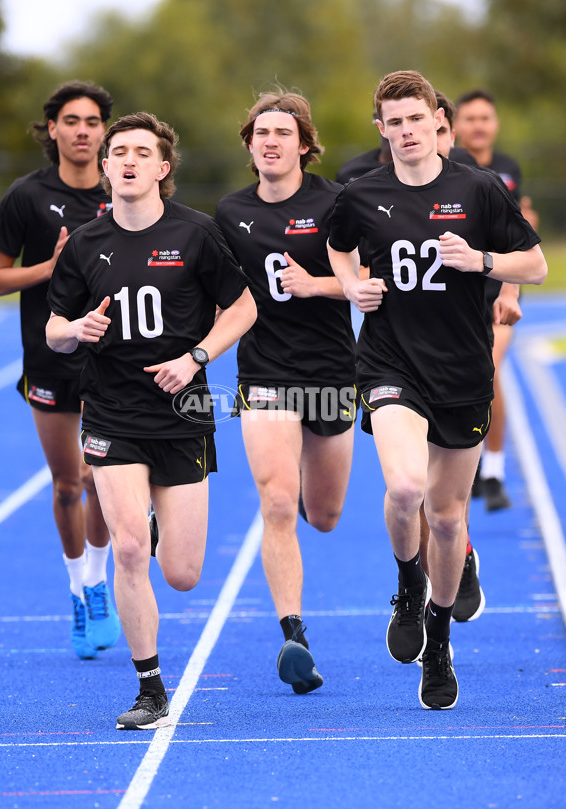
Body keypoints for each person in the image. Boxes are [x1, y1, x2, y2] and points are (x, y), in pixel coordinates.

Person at [327, 70, 547, 710]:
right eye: (392, 122)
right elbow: (340, 251)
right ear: (381, 129)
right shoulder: (361, 194)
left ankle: (441, 638)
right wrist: (351, 286)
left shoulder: (477, 188)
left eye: (414, 120)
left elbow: (533, 264)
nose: (405, 132)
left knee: (449, 520)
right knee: (404, 487)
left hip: (463, 370)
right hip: (392, 362)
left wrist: (479, 261)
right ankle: (406, 581)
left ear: (435, 122)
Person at [46, 112, 256, 729]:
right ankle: (150, 689)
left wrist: (197, 358)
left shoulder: (196, 233)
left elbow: (242, 308)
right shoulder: (86, 243)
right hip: (111, 411)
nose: (129, 160)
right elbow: (54, 329)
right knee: (129, 548)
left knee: (183, 574)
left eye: (143, 152)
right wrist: (76, 330)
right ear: (106, 168)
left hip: (183, 412)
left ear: (163, 169)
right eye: (120, 152)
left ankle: (162, 528)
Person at [214, 90, 357, 695]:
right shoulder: (228, 213)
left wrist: (316, 284)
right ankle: (294, 635)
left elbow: (370, 282)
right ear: (249, 146)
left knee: (322, 517)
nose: (270, 141)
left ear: (304, 143)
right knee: (276, 503)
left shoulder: (337, 202)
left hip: (330, 372)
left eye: (282, 132)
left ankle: (301, 491)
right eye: (260, 133)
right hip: (265, 374)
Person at [0, 81, 121, 660]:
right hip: (47, 358)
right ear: (54, 130)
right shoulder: (26, 196)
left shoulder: (124, 190)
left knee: (102, 478)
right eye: (72, 120)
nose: (84, 130)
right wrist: (50, 268)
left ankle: (99, 582)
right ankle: (77, 590)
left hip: (110, 360)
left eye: (93, 121)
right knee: (69, 482)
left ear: (105, 131)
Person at [454, 89, 534, 511]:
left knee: (489, 370)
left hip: (495, 296)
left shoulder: (507, 169)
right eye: (471, 119)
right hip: (455, 299)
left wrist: (510, 289)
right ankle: (467, 461)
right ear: (454, 126)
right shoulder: (445, 169)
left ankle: (495, 472)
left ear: (496, 124)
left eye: (486, 118)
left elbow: (520, 235)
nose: (479, 126)